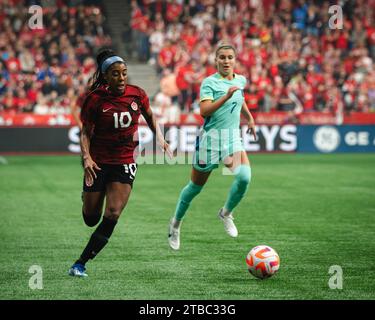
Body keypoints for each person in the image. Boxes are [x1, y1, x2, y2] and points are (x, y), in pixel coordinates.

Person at [69, 49, 172, 277]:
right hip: (98, 162)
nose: (122, 78)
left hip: (124, 161)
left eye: (124, 73)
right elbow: (85, 132)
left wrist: (161, 138)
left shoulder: (137, 94)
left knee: (113, 212)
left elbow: (150, 115)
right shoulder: (95, 99)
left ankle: (80, 263)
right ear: (106, 76)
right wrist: (86, 157)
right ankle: (89, 195)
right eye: (116, 74)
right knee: (90, 218)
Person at [168, 44, 257, 250]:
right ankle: (176, 223)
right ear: (216, 61)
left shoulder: (240, 80)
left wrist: (249, 118)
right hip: (210, 141)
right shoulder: (209, 83)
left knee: (244, 177)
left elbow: (240, 98)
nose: (226, 61)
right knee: (194, 188)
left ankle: (226, 213)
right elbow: (204, 111)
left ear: (235, 60)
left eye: (230, 57)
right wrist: (225, 96)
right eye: (222, 57)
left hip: (232, 139)